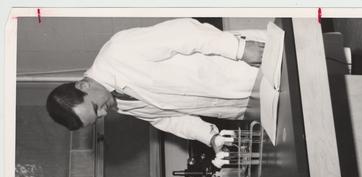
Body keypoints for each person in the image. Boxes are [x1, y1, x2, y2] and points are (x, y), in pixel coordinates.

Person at [46, 18, 266, 154]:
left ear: (84, 85)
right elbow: (166, 118)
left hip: (249, 67)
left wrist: (239, 48)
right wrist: (209, 136)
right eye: (98, 116)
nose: (105, 112)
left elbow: (186, 33)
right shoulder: (117, 103)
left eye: (96, 108)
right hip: (244, 106)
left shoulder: (118, 51)